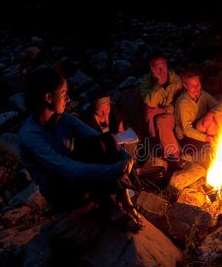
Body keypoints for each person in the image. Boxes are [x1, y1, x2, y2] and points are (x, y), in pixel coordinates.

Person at [18, 66, 144, 231]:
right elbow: (67, 169)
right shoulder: (31, 136)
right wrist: (113, 170)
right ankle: (108, 206)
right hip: (61, 190)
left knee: (103, 140)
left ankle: (125, 203)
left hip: (77, 176)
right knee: (95, 163)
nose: (68, 99)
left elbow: (98, 137)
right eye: (63, 94)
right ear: (49, 97)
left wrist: (126, 158)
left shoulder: (64, 119)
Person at [140, 54, 183, 165]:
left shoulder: (176, 81)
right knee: (149, 111)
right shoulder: (146, 81)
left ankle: (173, 154)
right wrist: (158, 84)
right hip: (157, 114)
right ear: (152, 69)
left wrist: (163, 110)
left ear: (167, 65)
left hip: (174, 114)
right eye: (157, 67)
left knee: (161, 119)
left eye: (163, 66)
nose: (161, 70)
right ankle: (159, 144)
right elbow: (150, 102)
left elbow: (180, 104)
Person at [175, 69, 222, 164]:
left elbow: (219, 106)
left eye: (198, 84)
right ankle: (214, 148)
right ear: (185, 85)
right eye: (192, 85)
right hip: (188, 137)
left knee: (219, 116)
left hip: (202, 125)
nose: (196, 87)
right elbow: (187, 130)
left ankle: (220, 142)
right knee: (210, 124)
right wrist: (206, 138)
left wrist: (211, 114)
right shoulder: (183, 102)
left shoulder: (202, 94)